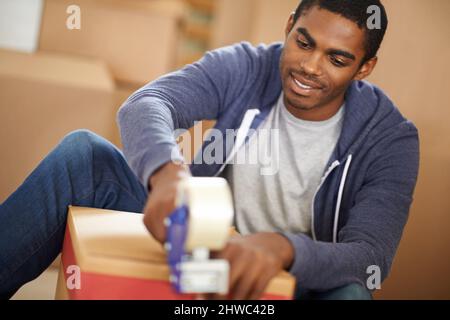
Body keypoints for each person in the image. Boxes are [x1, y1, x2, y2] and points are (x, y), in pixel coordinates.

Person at [0, 0, 419, 300]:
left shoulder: (390, 138)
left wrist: (282, 249)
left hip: (294, 279)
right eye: (304, 42)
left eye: (337, 59)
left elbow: (371, 258)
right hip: (196, 241)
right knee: (84, 154)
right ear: (289, 25)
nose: (310, 66)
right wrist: (167, 173)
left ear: (364, 68)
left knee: (351, 293)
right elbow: (149, 103)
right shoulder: (247, 66)